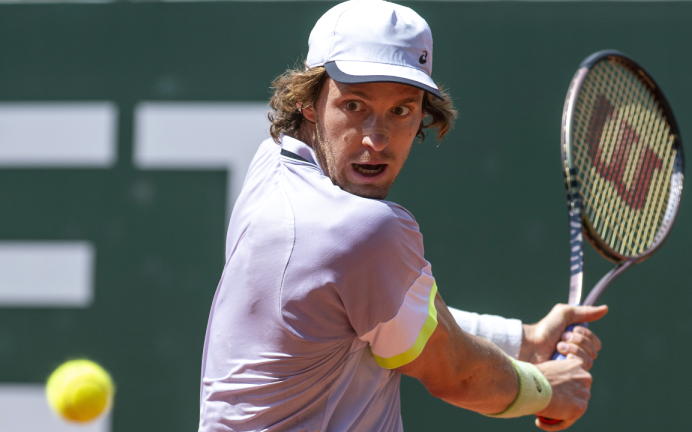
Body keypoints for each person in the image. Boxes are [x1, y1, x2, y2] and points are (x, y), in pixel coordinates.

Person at [199, 1, 608, 431]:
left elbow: (379, 311)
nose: (377, 139)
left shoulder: (272, 166)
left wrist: (526, 340)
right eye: (355, 105)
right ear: (309, 101)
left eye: (401, 110)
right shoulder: (362, 230)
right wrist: (547, 389)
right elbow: (456, 371)